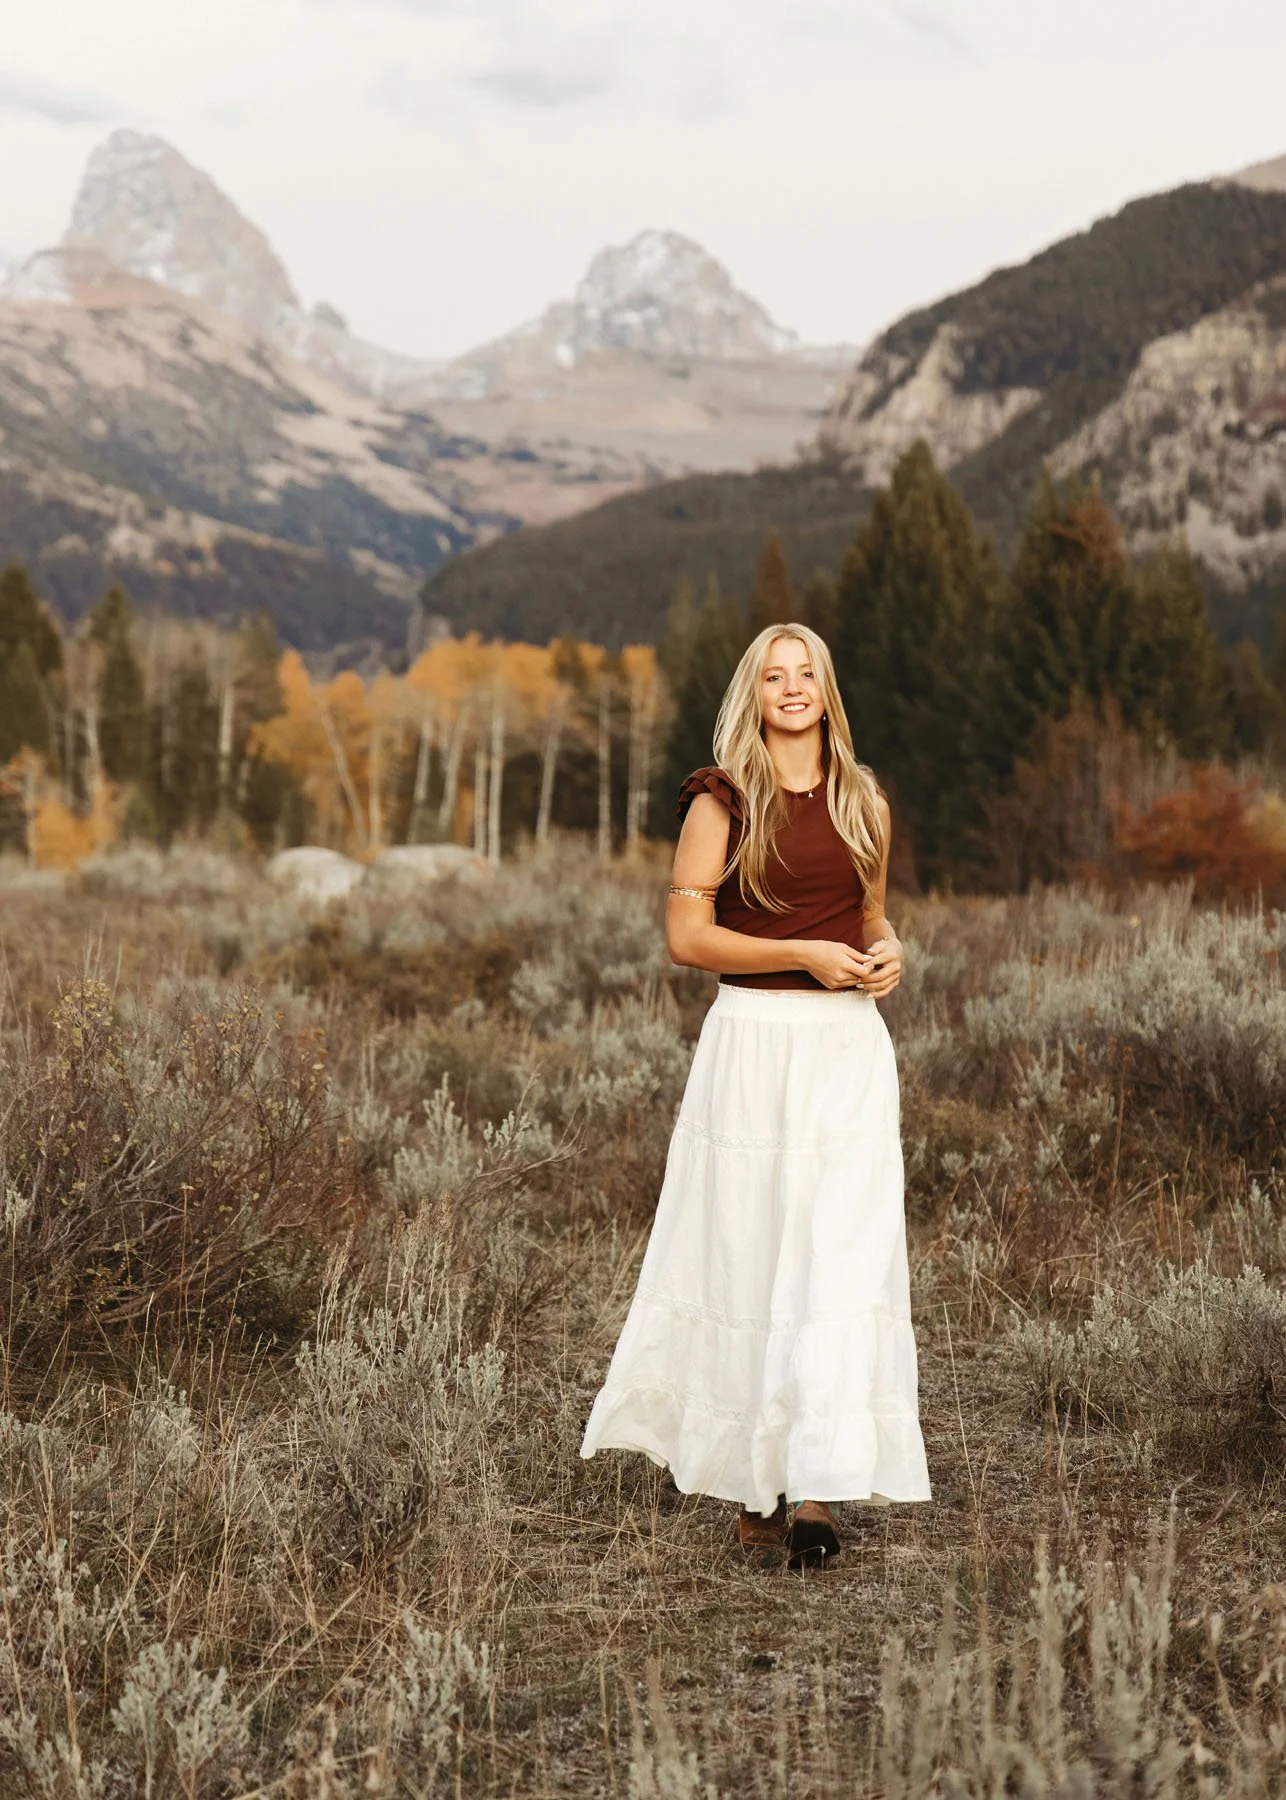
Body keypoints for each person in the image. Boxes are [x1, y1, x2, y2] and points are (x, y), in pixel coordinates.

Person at [580, 621, 930, 1567]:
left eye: (805, 672)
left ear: (826, 687)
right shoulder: (721, 800)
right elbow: (688, 942)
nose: (791, 689)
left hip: (847, 1053)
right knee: (749, 1250)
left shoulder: (863, 799)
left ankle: (815, 1484)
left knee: (839, 1258)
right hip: (752, 1045)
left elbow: (866, 915)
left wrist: (886, 951)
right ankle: (751, 1479)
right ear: (755, 690)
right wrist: (797, 956)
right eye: (774, 676)